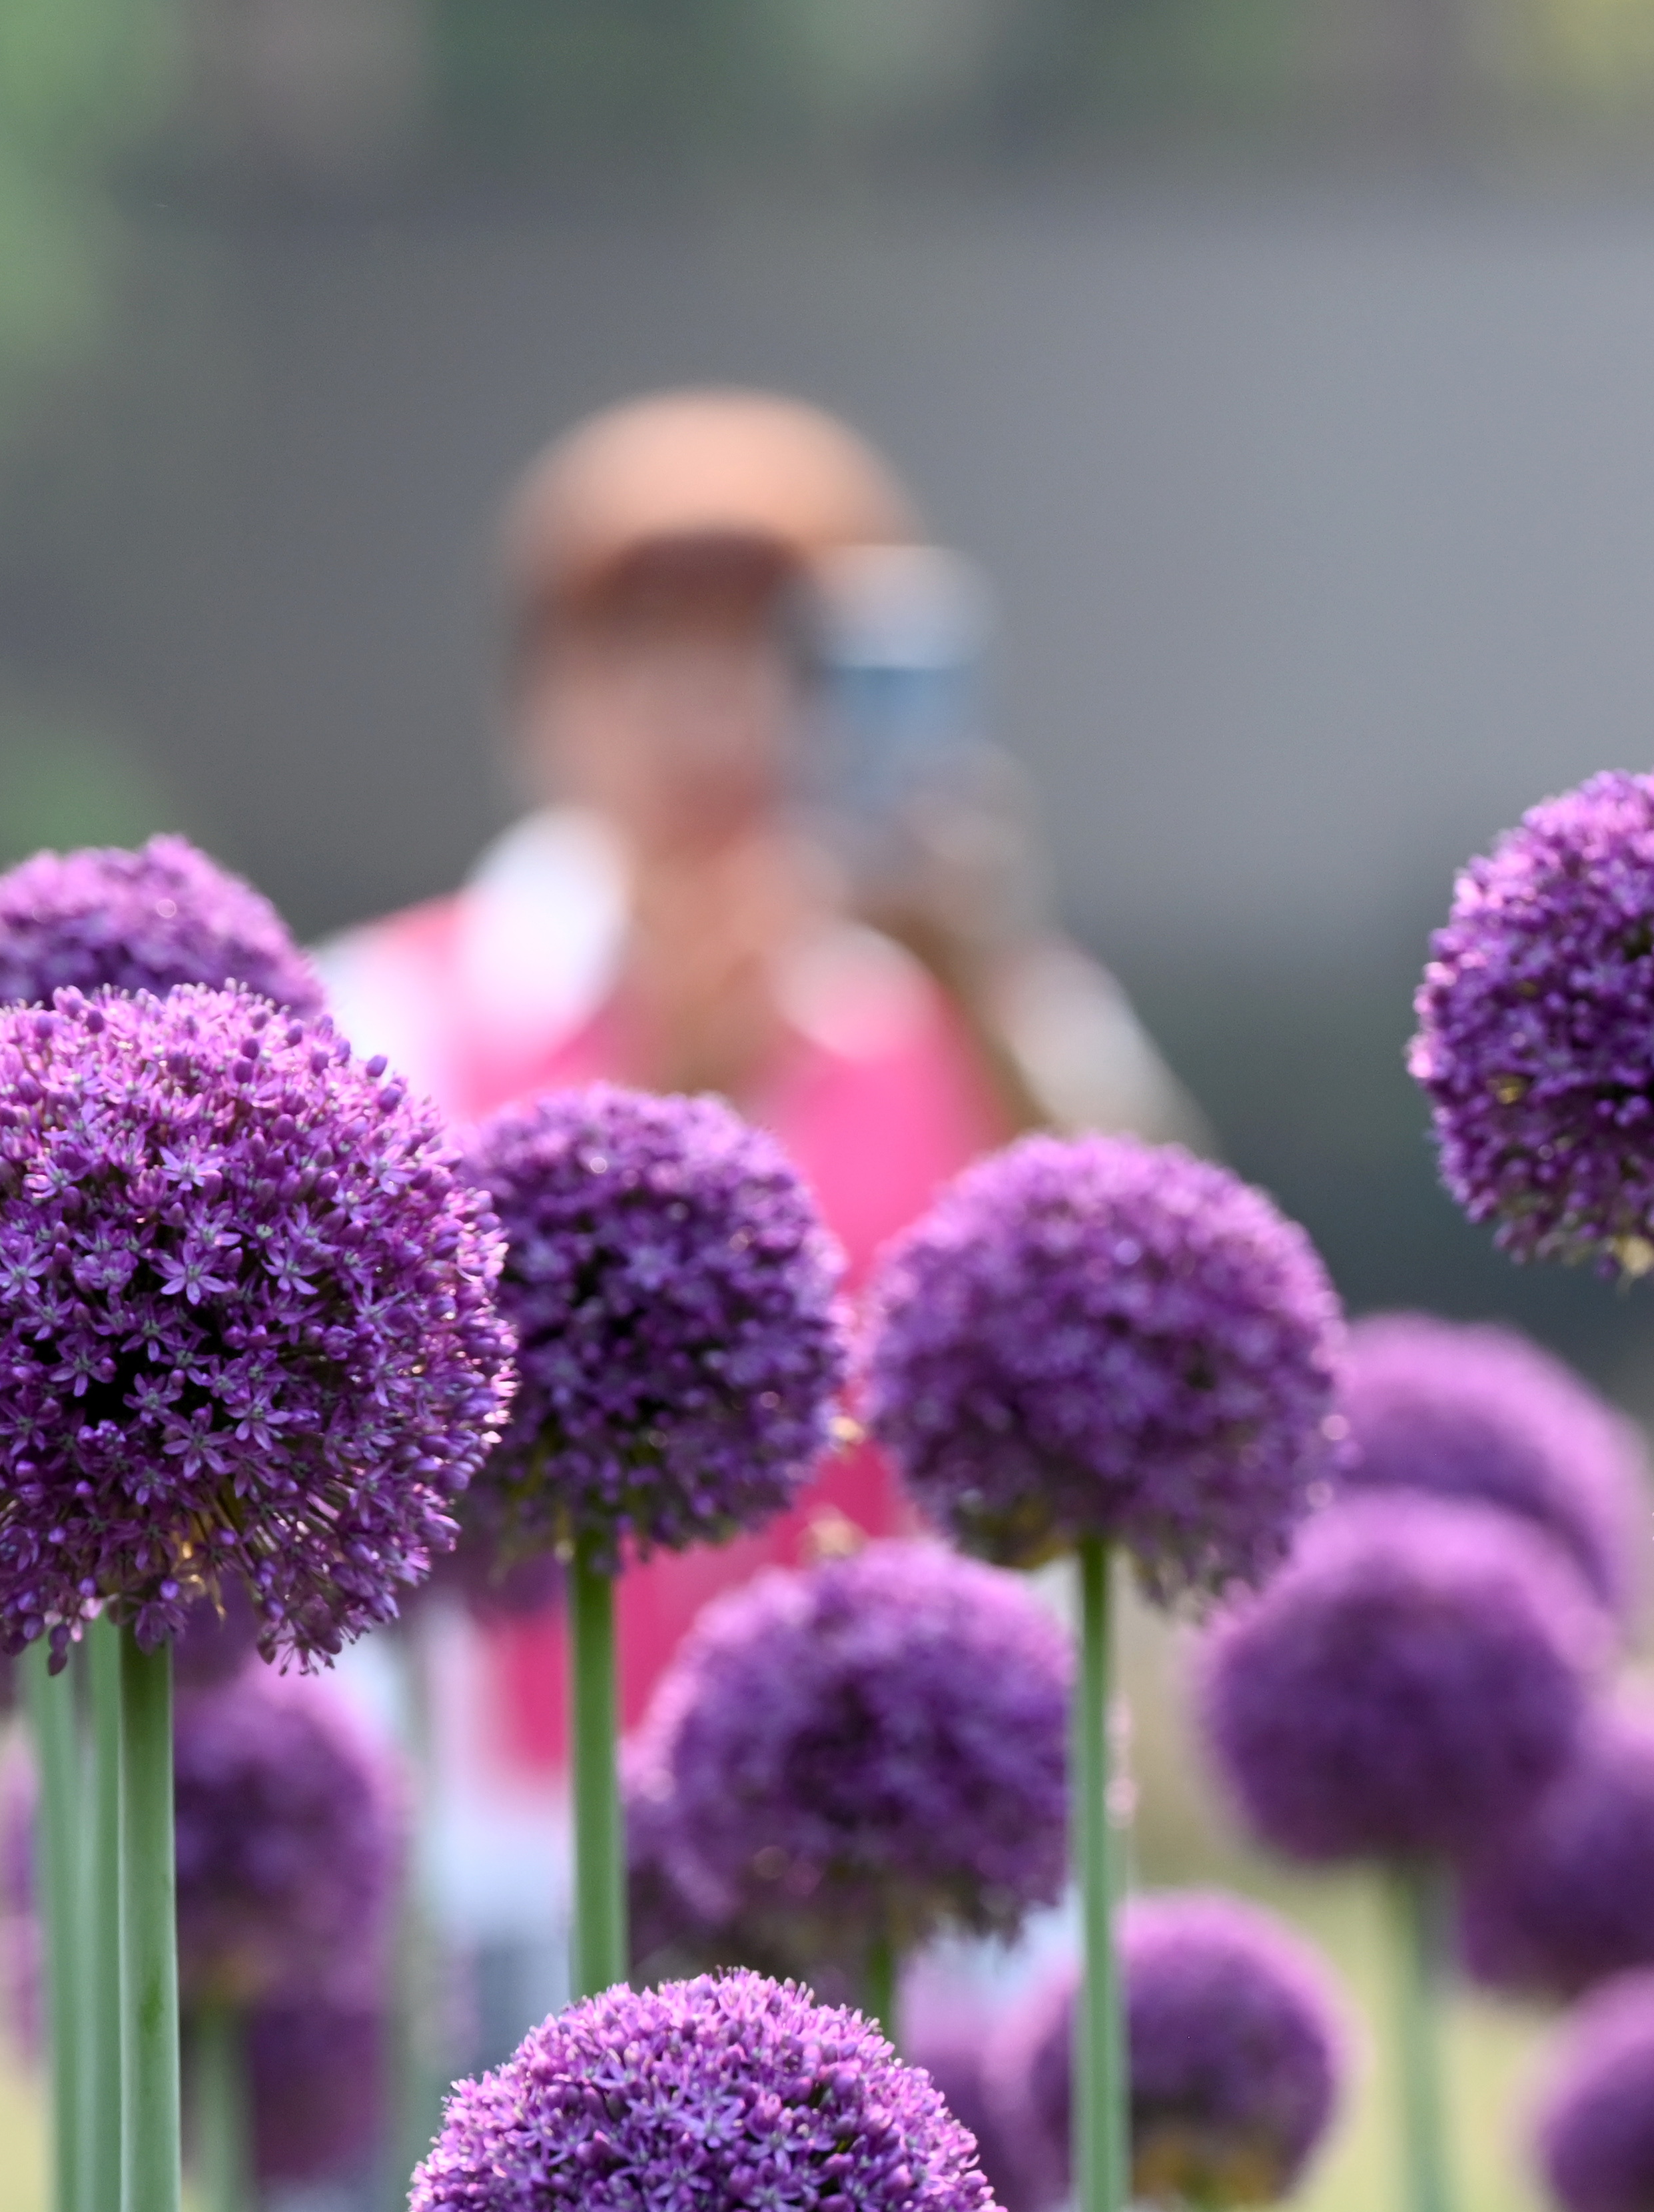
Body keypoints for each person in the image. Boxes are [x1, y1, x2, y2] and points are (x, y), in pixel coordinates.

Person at [320, 387, 1182, 2013]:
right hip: (525, 1881)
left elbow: (1178, 1301)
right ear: (540, 698)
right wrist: (665, 1103)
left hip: (933, 1867)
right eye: (639, 646)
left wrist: (979, 986)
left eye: (769, 653)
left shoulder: (973, 993)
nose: (708, 709)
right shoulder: (395, 1009)